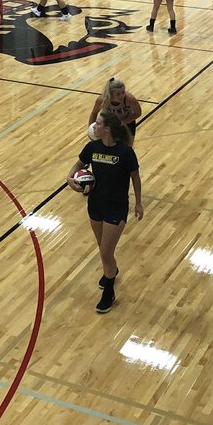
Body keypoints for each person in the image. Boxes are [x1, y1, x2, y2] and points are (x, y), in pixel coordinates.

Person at [67, 110, 143, 313]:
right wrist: (70, 180)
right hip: (95, 205)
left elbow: (135, 176)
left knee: (105, 252)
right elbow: (76, 167)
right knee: (103, 247)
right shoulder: (92, 147)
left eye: (98, 124)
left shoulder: (125, 152)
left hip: (116, 207)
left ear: (107, 129)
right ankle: (112, 270)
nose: (94, 127)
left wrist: (138, 203)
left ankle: (108, 291)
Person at [88, 78, 143, 145]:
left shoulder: (129, 99)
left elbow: (138, 113)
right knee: (107, 147)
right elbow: (94, 113)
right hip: (109, 124)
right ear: (110, 94)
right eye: (118, 94)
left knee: (128, 148)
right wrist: (90, 130)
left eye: (123, 92)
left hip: (126, 123)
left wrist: (124, 122)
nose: (121, 96)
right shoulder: (102, 100)